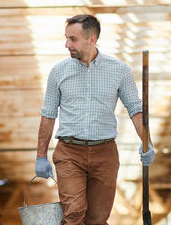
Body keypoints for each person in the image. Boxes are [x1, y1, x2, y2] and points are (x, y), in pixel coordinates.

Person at [35, 14, 155, 225]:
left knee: (97, 220)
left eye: (73, 39)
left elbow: (135, 109)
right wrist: (41, 155)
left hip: (105, 154)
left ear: (91, 40)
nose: (67, 44)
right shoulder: (58, 72)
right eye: (66, 38)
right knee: (74, 213)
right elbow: (48, 114)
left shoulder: (119, 71)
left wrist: (148, 142)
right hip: (69, 153)